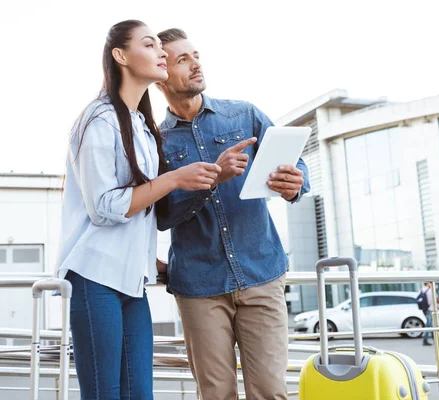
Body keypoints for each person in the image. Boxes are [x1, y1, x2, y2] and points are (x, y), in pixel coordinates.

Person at [54, 20, 221, 399]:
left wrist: (151, 261)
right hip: (94, 277)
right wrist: (175, 179)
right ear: (120, 56)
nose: (161, 52)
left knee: (139, 393)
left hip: (132, 281)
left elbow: (142, 208)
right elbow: (104, 208)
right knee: (104, 394)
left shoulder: (142, 126)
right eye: (150, 45)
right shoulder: (98, 119)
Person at [155, 28, 310, 400]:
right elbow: (160, 214)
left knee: (271, 392)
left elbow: (296, 165)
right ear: (161, 75)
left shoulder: (244, 114)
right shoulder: (155, 142)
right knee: (216, 394)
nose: (196, 65)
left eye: (196, 56)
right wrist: (212, 179)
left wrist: (295, 184)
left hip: (261, 273)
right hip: (199, 288)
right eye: (182, 60)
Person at [420, 282, 439, 346]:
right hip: (430, 309)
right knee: (429, 325)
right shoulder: (430, 290)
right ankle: (425, 340)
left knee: (430, 324)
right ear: (428, 283)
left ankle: (433, 338)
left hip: (425, 309)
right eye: (430, 283)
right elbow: (437, 299)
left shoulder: (422, 290)